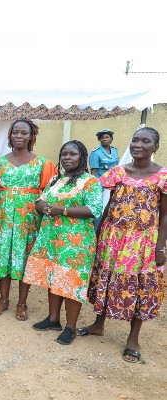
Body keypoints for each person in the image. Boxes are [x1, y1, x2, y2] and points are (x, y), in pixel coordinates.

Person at [81, 127, 167, 363]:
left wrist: (161, 247)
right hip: (114, 237)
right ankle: (99, 324)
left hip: (144, 243)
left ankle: (133, 338)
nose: (138, 145)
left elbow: (165, 215)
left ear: (155, 147)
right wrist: (98, 232)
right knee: (106, 280)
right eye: (135, 140)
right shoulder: (118, 171)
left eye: (145, 141)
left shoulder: (162, 176)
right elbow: (110, 205)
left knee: (141, 287)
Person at [24, 140, 103, 345]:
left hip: (75, 241)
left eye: (73, 154)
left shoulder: (89, 181)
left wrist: (62, 211)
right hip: (51, 238)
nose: (67, 158)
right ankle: (53, 319)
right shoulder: (55, 179)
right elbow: (40, 201)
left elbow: (94, 210)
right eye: (64, 154)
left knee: (71, 281)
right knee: (53, 276)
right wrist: (43, 207)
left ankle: (70, 327)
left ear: (82, 158)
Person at [0, 119, 57, 321]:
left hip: (29, 218)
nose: (19, 136)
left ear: (31, 136)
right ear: (10, 136)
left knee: (24, 258)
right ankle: (4, 299)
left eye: (24, 133)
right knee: (5, 257)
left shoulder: (44, 163)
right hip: (3, 217)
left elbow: (50, 193)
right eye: (15, 132)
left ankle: (22, 303)